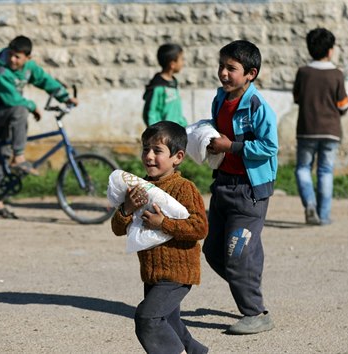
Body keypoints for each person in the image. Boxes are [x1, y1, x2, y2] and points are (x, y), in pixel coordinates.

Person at [111, 121, 209, 354]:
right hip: (152, 273)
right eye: (146, 149)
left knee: (148, 319)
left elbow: (199, 228)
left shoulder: (184, 189)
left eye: (158, 151)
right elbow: (117, 228)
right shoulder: (139, 188)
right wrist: (125, 208)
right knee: (171, 322)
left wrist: (163, 223)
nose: (149, 156)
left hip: (178, 273)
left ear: (178, 157)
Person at [203, 40, 279, 335]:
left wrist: (231, 146)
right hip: (222, 187)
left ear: (250, 73)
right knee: (213, 251)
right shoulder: (220, 98)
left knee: (236, 257)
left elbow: (270, 146)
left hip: (249, 192)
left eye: (231, 68)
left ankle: (256, 312)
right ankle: (246, 283)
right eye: (221, 65)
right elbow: (216, 127)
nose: (223, 73)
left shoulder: (257, 105)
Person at [0, 35, 78, 217]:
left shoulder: (29, 68)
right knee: (21, 110)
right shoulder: (1, 72)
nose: (12, 60)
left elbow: (45, 80)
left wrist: (65, 96)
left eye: (17, 57)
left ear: (28, 58)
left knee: (1, 155)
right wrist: (32, 106)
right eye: (11, 55)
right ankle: (19, 158)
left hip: (4, 112)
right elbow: (12, 99)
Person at [293, 28, 348, 225]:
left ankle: (309, 203)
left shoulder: (303, 73)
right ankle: (323, 215)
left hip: (307, 129)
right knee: (325, 170)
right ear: (330, 51)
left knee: (302, 168)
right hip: (331, 131)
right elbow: (343, 105)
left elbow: (297, 98)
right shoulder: (337, 75)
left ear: (310, 49)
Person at [142, 43, 187, 127]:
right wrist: (156, 132)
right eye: (181, 59)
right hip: (163, 135)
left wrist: (183, 125)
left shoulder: (173, 83)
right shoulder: (157, 87)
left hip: (176, 132)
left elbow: (176, 111)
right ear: (172, 64)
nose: (183, 63)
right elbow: (151, 112)